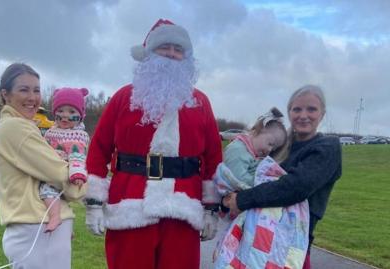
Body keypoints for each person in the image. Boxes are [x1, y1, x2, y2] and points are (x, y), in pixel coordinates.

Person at [84, 19, 222, 269]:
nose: (171, 54)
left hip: (183, 210)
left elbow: (213, 158)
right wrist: (94, 202)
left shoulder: (200, 102)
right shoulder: (123, 97)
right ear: (149, 52)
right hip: (130, 207)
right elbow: (99, 149)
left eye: (178, 49)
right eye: (165, 46)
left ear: (186, 57)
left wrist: (211, 209)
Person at [222, 85, 342, 269]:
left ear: (322, 114)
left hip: (288, 250)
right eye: (297, 109)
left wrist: (242, 199)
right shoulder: (278, 147)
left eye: (311, 109)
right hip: (251, 241)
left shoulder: (327, 147)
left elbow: (295, 187)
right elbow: (250, 174)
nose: (303, 115)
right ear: (289, 112)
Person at [0, 63, 86, 268]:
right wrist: (84, 186)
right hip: (36, 226)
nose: (32, 97)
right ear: (6, 94)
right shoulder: (16, 127)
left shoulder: (22, 125)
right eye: (24, 89)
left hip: (39, 227)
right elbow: (61, 175)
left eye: (36, 90)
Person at [213, 108, 311, 269]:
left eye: (274, 148)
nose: (269, 149)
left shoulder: (252, 154)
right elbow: (236, 177)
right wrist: (265, 186)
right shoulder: (238, 149)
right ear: (258, 130)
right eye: (270, 143)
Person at [39, 87, 90, 232]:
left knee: (46, 191)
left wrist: (77, 174)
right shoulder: (50, 132)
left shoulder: (78, 135)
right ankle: (67, 228)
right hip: (50, 168)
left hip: (68, 172)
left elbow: (77, 156)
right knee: (54, 199)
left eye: (72, 112)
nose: (65, 115)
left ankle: (55, 217)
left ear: (80, 116)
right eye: (60, 111)